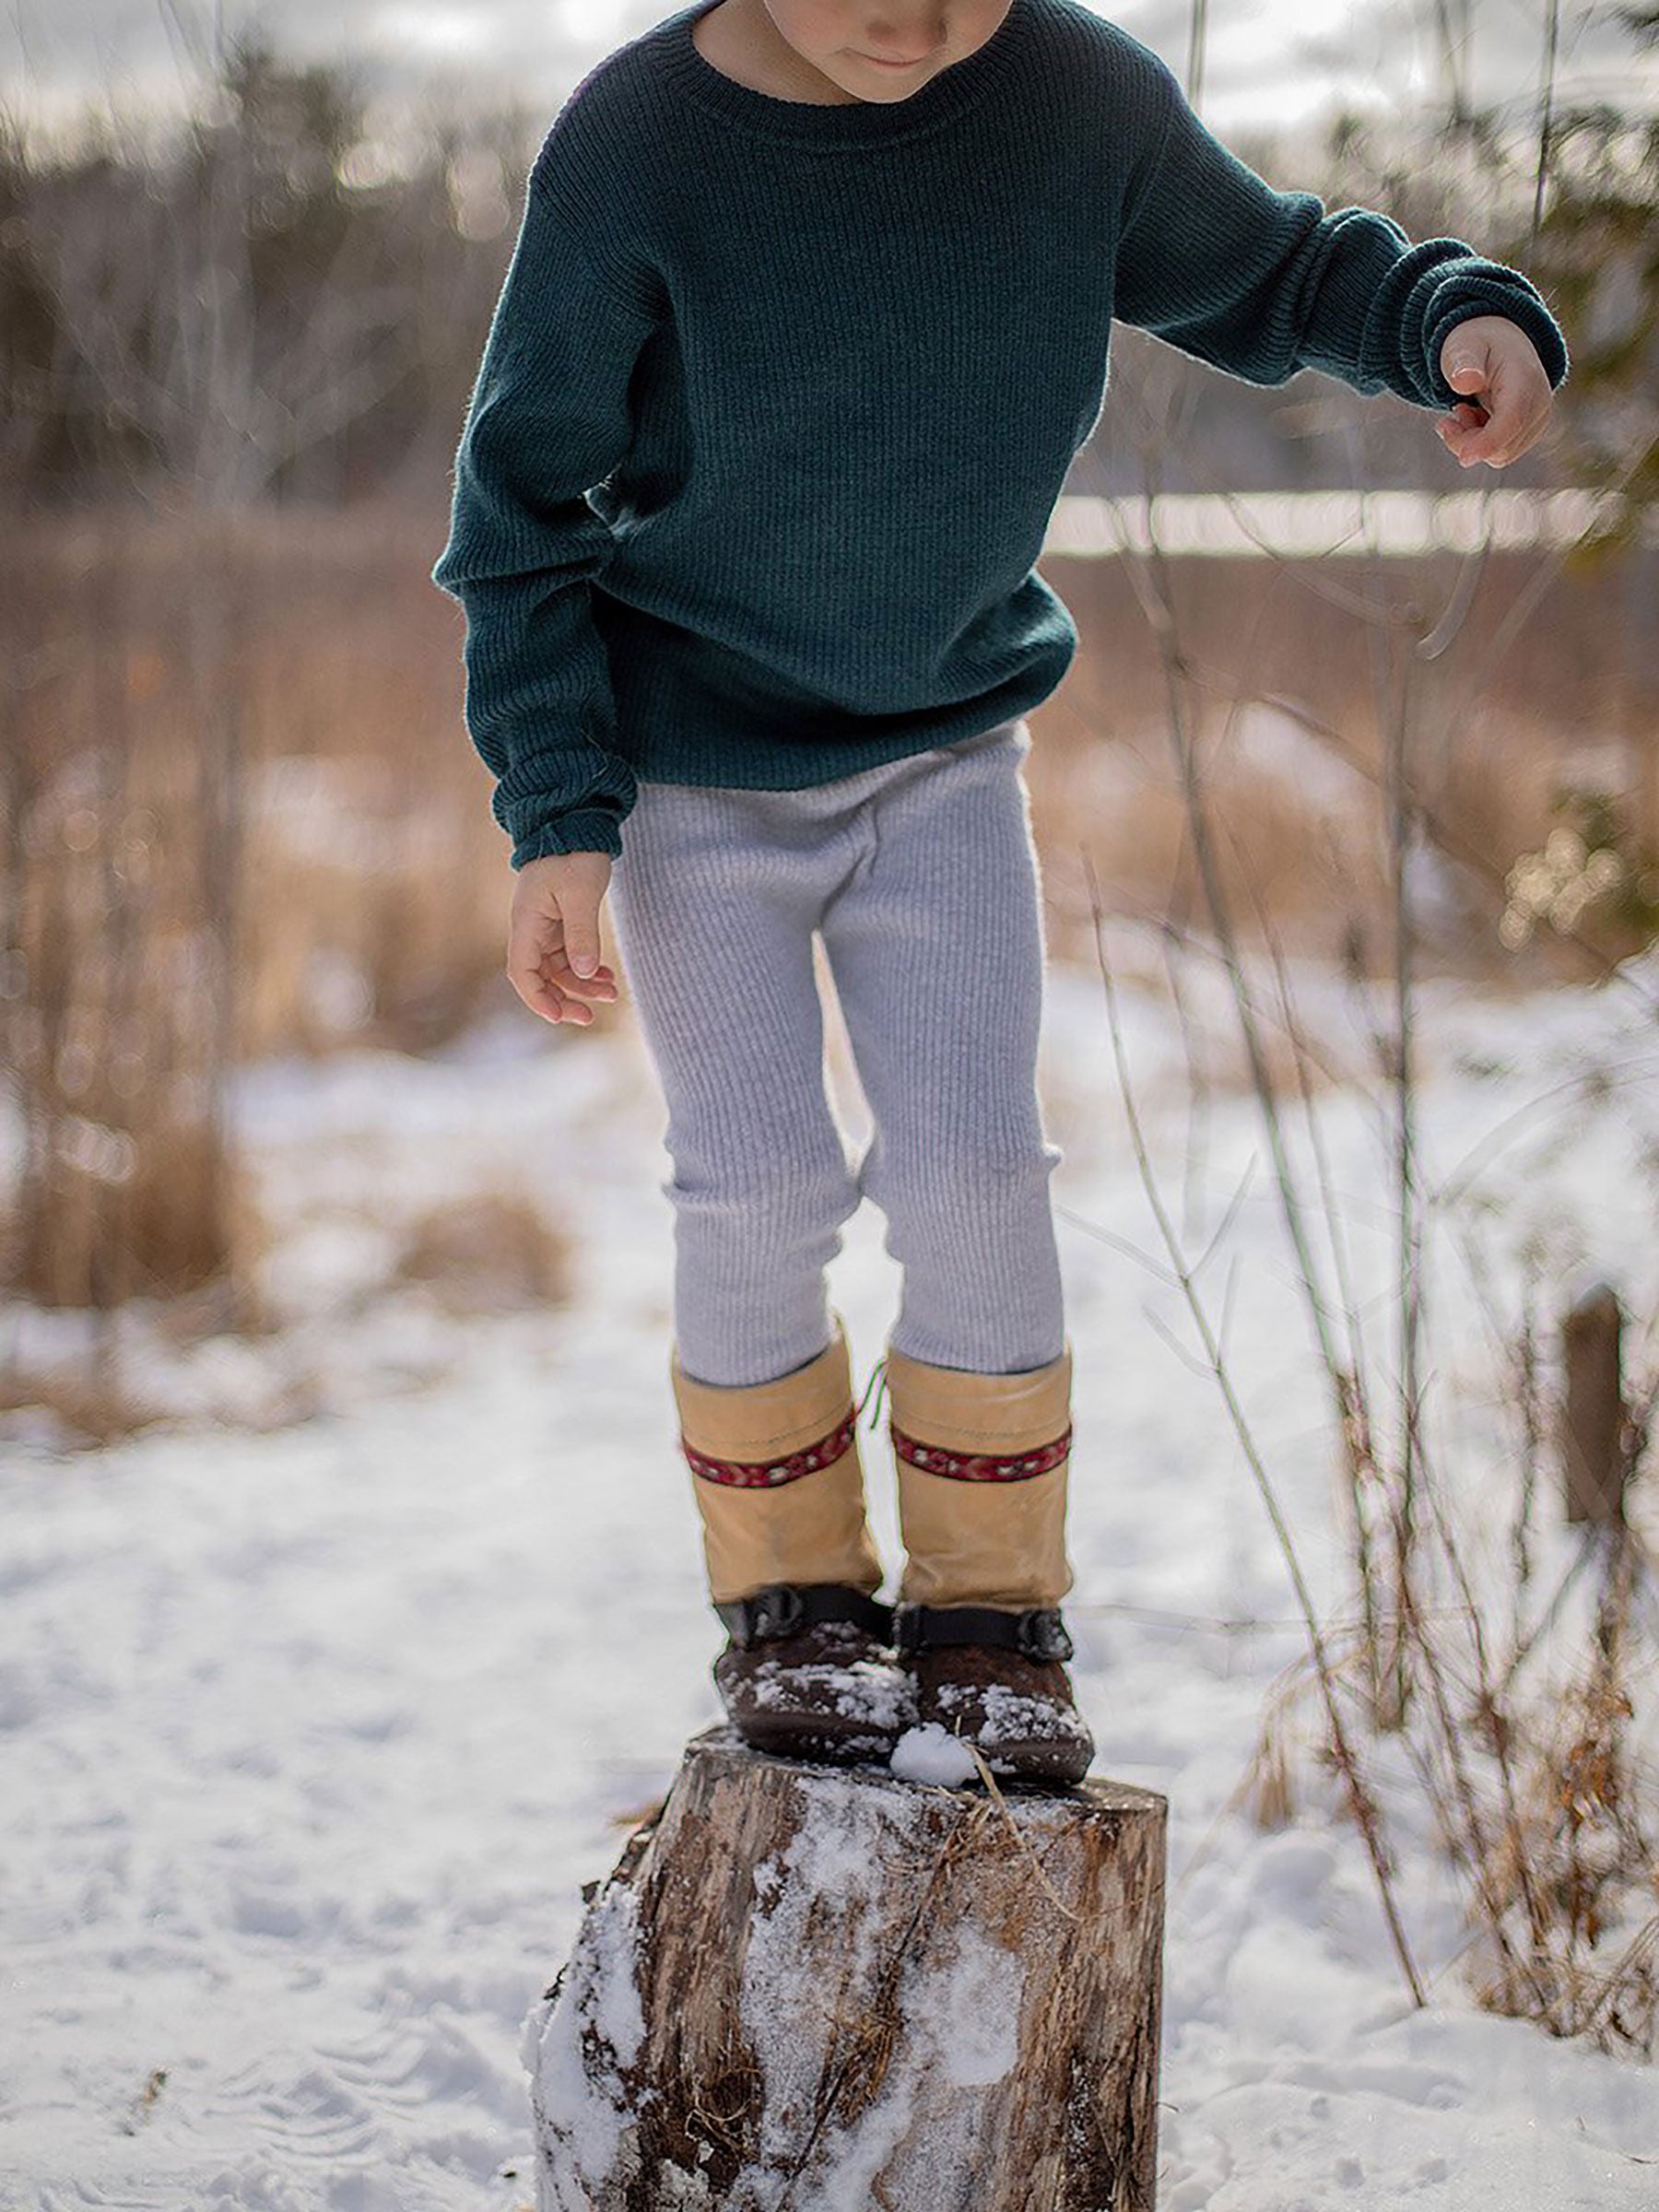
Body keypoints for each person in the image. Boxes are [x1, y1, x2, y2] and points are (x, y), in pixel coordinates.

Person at [431, 0, 1569, 1784]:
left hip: (946, 758)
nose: (918, 9)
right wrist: (558, 802)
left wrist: (1443, 314)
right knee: (753, 1185)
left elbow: (1273, 269)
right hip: (690, 784)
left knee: (973, 1169)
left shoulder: (1072, 104)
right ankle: (793, 1606)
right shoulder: (637, 149)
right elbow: (518, 505)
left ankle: (988, 1622)